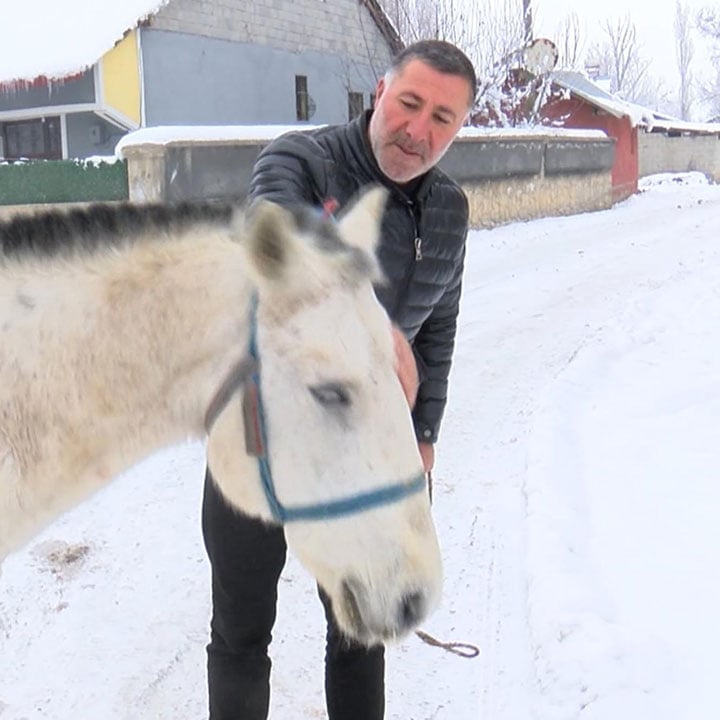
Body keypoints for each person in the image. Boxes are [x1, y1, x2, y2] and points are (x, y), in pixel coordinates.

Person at [202, 39, 478, 720]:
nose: (418, 130)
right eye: (409, 103)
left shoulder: (450, 209)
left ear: (459, 128)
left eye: (442, 118)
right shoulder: (302, 161)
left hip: (363, 454)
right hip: (261, 438)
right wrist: (371, 327)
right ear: (380, 93)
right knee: (241, 633)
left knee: (361, 631)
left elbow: (437, 330)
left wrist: (424, 434)